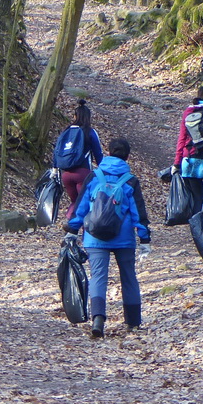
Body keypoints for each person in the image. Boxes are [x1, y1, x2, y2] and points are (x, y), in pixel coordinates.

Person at [65, 138, 151, 338]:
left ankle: (98, 319)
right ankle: (133, 322)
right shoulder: (130, 180)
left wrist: (72, 229)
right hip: (124, 237)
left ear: (108, 153)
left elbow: (81, 206)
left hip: (95, 236)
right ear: (127, 156)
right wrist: (145, 239)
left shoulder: (94, 176)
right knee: (129, 276)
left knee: (98, 277)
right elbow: (139, 213)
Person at [54, 99, 104, 220]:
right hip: (83, 174)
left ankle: (70, 227)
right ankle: (81, 233)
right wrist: (103, 171)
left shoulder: (66, 131)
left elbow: (56, 151)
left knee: (75, 202)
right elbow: (98, 154)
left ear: (75, 116)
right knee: (85, 204)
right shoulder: (90, 132)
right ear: (88, 117)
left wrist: (55, 169)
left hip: (66, 175)